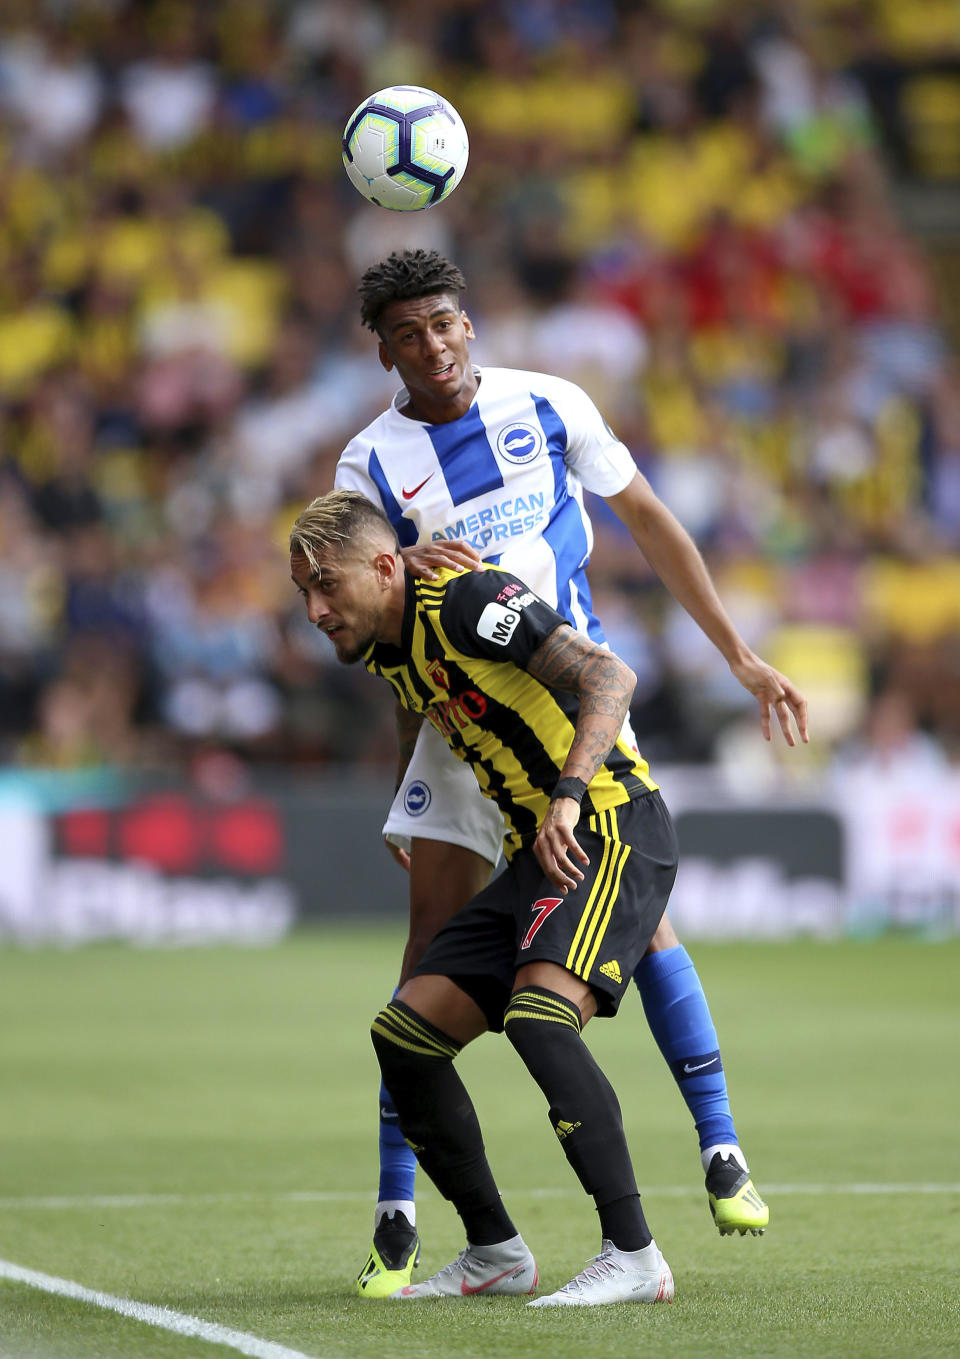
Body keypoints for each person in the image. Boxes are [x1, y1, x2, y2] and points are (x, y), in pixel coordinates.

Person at [332, 249, 809, 1297]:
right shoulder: (367, 461)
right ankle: (400, 1208)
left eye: (448, 322)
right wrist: (402, 569)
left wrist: (736, 652)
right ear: (385, 351)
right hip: (460, 725)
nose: (436, 344)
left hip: (574, 708)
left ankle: (719, 1149)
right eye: (410, 333)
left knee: (634, 925)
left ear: (471, 321)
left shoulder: (551, 403)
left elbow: (648, 519)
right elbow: (357, 587)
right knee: (425, 964)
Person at [290, 488, 681, 1305]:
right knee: (404, 1035)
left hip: (607, 824)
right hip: (536, 859)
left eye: (327, 585)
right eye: (304, 593)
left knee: (540, 1018)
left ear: (386, 566)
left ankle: (636, 1254)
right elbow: (416, 709)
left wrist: (569, 793)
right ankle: (495, 1251)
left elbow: (610, 672)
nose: (316, 608)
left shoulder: (469, 601)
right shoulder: (387, 648)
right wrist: (407, 801)